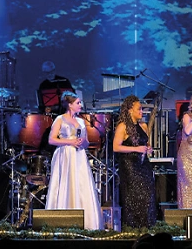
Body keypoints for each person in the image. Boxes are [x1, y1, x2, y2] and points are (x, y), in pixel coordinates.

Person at [45, 91, 103, 230]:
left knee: (80, 184)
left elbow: (87, 142)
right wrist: (70, 142)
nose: (80, 105)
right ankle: (61, 221)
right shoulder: (60, 119)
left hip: (79, 156)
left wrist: (83, 142)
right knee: (66, 183)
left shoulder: (81, 122)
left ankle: (86, 223)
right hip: (65, 155)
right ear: (70, 105)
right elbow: (51, 140)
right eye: (78, 103)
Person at [112, 95, 157, 228]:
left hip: (143, 165)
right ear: (130, 110)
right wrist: (136, 149)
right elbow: (116, 147)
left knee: (147, 194)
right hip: (130, 166)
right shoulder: (123, 126)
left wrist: (148, 149)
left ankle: (147, 226)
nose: (141, 112)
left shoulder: (143, 126)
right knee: (133, 196)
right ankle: (132, 227)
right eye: (139, 109)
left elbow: (146, 143)